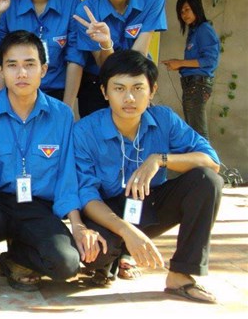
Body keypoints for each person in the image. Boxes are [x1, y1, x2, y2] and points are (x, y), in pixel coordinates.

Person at [0, 31, 105, 296]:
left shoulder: (61, 115)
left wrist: (77, 224)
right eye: (12, 65)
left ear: (43, 69)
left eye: (29, 64)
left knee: (66, 264)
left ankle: (15, 258)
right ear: (0, 71)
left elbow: (67, 175)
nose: (21, 73)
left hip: (37, 207)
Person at [73, 49, 222, 303]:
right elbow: (86, 196)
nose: (129, 98)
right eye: (119, 89)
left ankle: (181, 275)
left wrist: (160, 159)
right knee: (94, 255)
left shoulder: (164, 119)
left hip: (147, 204)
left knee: (207, 181)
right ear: (105, 92)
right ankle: (114, 257)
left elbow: (211, 162)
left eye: (138, 88)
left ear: (152, 91)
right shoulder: (85, 130)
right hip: (106, 211)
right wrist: (128, 232)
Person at [73, 0, 167, 118]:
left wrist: (135, 91)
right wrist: (106, 44)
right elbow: (104, 65)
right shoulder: (86, 11)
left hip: (137, 74)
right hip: (99, 83)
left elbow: (140, 51)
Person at [163, 0, 220, 140]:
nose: (184, 14)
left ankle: (205, 156)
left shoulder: (204, 29)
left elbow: (210, 60)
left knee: (198, 133)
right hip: (191, 84)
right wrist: (178, 65)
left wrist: (180, 63)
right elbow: (197, 61)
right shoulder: (194, 31)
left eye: (187, 9)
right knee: (194, 131)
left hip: (198, 85)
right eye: (181, 12)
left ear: (197, 8)